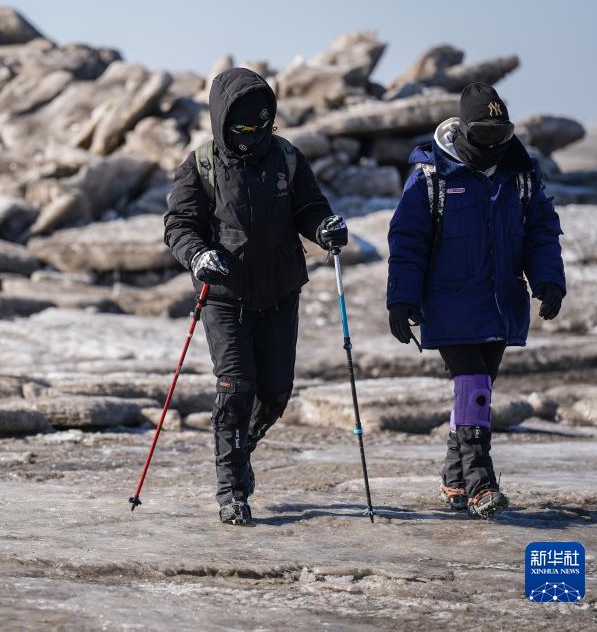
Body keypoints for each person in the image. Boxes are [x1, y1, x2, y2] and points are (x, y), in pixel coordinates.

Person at [164, 68, 347, 526]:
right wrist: (198, 255)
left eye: (261, 126)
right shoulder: (201, 165)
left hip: (280, 291)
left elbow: (310, 208)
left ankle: (241, 447)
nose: (252, 136)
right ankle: (231, 490)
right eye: (242, 129)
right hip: (224, 295)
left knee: (276, 392)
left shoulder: (286, 157)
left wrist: (324, 228)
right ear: (222, 123)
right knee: (235, 387)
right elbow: (179, 226)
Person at [386, 82, 566, 518]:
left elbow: (541, 231)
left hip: (501, 303)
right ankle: (481, 485)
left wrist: (548, 280)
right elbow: (407, 241)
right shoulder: (433, 175)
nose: (494, 145)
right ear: (465, 131)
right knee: (474, 387)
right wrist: (401, 300)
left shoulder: (520, 174)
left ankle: (454, 480)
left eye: (502, 135)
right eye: (485, 135)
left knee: (476, 394)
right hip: (448, 304)